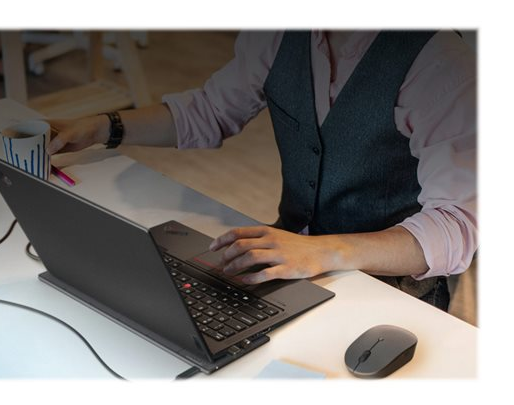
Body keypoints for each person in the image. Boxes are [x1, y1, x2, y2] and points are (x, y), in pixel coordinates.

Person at [47, 30, 477, 312]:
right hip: (290, 262)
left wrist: (324, 252)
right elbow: (209, 110)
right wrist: (103, 126)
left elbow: (456, 227)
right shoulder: (282, 29)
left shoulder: (439, 61)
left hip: (392, 291)